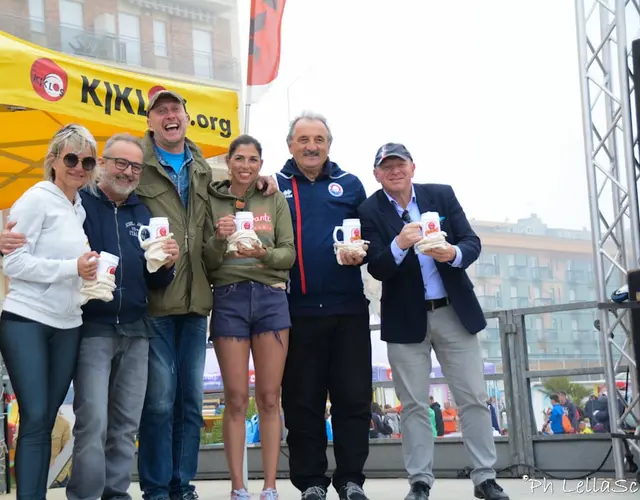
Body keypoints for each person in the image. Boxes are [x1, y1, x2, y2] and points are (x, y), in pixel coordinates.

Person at [134, 90, 277, 500]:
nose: (169, 116)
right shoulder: (138, 165)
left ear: (186, 118)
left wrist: (269, 182)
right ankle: (158, 489)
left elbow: (238, 187)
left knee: (191, 404)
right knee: (159, 404)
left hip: (198, 302)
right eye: (160, 111)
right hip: (157, 299)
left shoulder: (200, 167)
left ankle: (183, 485)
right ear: (151, 122)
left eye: (175, 109)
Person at [358, 143, 509, 500]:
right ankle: (420, 481)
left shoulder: (440, 195)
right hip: (405, 319)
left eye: (400, 165)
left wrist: (453, 254)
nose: (394, 171)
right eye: (386, 167)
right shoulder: (369, 209)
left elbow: (472, 241)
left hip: (453, 312)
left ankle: (485, 477)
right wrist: (398, 244)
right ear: (377, 174)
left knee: (472, 396)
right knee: (412, 405)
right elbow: (376, 265)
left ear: (413, 167)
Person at [66, 134, 179, 500]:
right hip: (92, 328)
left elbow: (156, 278)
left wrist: (167, 262)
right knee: (93, 421)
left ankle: (116, 493)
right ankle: (85, 495)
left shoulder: (142, 212)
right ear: (102, 163)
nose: (128, 172)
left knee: (125, 424)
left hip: (136, 329)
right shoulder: (78, 204)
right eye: (121, 163)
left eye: (135, 166)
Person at [0, 124, 100, 500]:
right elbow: (14, 264)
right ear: (54, 160)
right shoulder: (36, 198)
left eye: (87, 161)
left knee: (44, 421)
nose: (79, 166)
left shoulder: (78, 209)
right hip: (27, 319)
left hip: (69, 323)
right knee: (36, 417)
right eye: (71, 158)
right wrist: (71, 268)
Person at [277, 112, 372, 500]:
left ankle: (351, 479)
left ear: (329, 145)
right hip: (296, 312)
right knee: (302, 403)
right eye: (303, 139)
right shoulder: (274, 185)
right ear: (290, 146)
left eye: (318, 139)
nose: (311, 146)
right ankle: (311, 482)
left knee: (353, 399)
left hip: (348, 310)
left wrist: (362, 255)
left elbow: (370, 238)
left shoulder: (350, 185)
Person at [203, 134, 295, 500]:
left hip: (271, 298)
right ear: (228, 161)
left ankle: (270, 486)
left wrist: (264, 252)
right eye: (239, 158)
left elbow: (289, 254)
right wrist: (217, 238)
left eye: (253, 159)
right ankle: (238, 487)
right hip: (228, 297)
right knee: (237, 397)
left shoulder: (273, 196)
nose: (246, 165)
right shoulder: (212, 198)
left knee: (271, 397)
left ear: (260, 163)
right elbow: (207, 260)